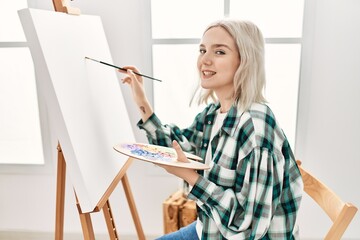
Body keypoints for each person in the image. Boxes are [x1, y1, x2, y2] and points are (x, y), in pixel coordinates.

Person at [120, 19, 303, 240]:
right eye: (202, 50)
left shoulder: (256, 128)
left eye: (219, 52)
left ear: (245, 60)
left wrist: (191, 177)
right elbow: (180, 148)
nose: (204, 60)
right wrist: (143, 104)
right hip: (208, 231)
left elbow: (246, 224)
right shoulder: (213, 114)